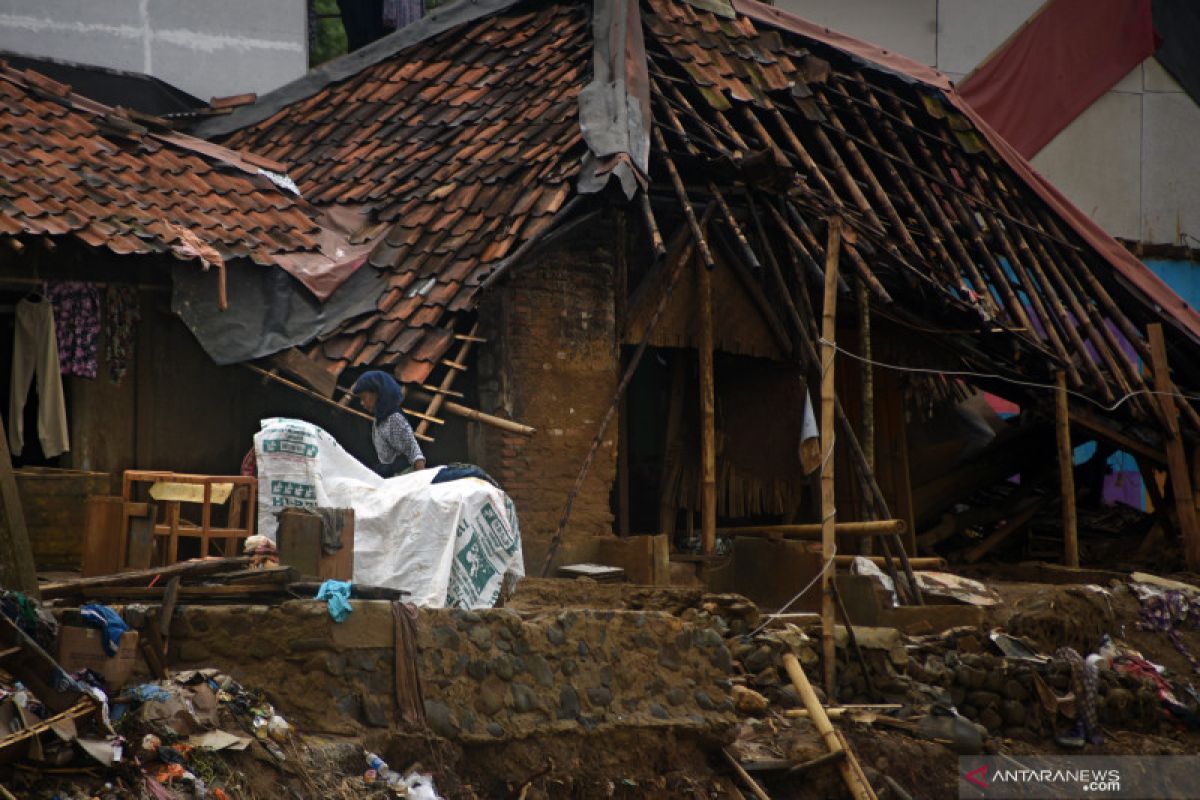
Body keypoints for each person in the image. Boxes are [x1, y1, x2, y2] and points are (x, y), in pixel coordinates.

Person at [352, 371, 427, 477]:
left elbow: (414, 452)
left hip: (403, 477)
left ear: (377, 393)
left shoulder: (394, 419)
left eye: (364, 397)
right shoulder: (380, 419)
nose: (362, 403)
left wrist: (420, 481)